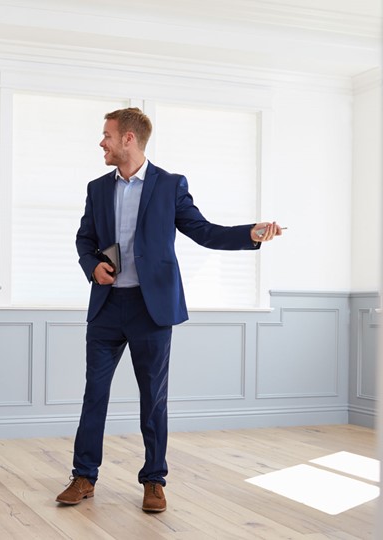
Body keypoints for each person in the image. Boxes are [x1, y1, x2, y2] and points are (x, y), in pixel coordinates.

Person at [55, 107, 282, 512]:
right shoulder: (97, 188)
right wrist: (93, 267)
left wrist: (251, 234)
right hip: (107, 308)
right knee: (95, 395)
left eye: (107, 135)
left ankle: (154, 480)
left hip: (151, 309)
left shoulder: (169, 186)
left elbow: (205, 232)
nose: (101, 143)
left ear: (129, 139)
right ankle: (84, 476)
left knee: (153, 399)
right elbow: (84, 239)